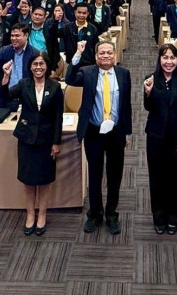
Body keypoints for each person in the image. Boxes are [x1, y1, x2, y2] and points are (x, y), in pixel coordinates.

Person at [67, 40, 132, 235]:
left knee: (114, 175)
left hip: (116, 132)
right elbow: (70, 79)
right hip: (94, 131)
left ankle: (111, 214)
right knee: (95, 174)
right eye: (102, 53)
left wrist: (128, 132)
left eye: (109, 53)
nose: (106, 56)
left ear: (115, 55)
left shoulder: (123, 74)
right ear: (96, 57)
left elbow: (126, 105)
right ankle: (95, 214)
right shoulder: (87, 73)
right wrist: (77, 54)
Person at [0, 51, 64, 236]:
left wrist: (56, 142)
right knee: (28, 181)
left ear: (47, 66)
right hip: (27, 139)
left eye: (41, 64)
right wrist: (6, 77)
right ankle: (30, 215)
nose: (38, 67)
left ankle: (42, 214)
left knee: (44, 180)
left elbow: (58, 117)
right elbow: (4, 98)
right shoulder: (23, 84)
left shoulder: (55, 87)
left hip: (46, 140)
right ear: (30, 66)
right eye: (35, 64)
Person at [142, 44, 177, 234]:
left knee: (176, 178)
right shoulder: (151, 79)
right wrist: (148, 92)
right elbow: (148, 107)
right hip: (156, 136)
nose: (169, 62)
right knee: (157, 177)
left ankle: (174, 218)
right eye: (165, 57)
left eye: (172, 58)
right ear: (159, 59)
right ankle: (159, 218)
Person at [0, 23, 39, 110]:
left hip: (27, 98)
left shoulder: (34, 53)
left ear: (26, 35)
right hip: (7, 98)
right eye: (12, 36)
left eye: (17, 36)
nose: (13, 38)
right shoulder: (4, 51)